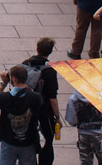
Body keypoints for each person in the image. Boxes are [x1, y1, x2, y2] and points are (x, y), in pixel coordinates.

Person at [0, 64, 42, 165]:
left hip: (8, 142)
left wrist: (3, 83)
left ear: (14, 78)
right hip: (28, 142)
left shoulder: (4, 97)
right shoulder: (35, 98)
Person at [21, 37, 61, 165]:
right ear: (50, 51)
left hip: (29, 106)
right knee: (49, 138)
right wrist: (57, 116)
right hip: (45, 109)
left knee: (29, 133)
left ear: (37, 48)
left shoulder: (26, 63)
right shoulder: (49, 71)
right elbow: (52, 97)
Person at [65, 88, 102, 165]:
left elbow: (72, 120)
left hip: (84, 134)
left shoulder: (73, 99)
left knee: (86, 161)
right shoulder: (101, 96)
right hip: (101, 134)